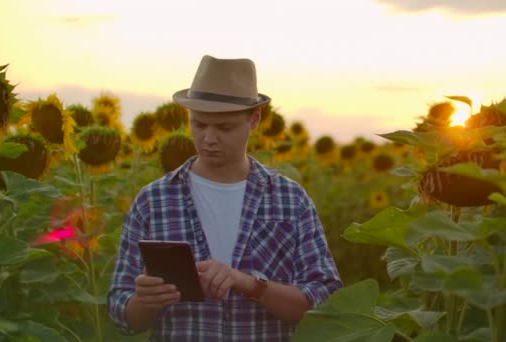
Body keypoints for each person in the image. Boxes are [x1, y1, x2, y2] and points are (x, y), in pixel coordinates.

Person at [107, 55, 342, 341]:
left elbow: (325, 301)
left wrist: (248, 283)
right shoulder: (153, 202)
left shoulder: (290, 200)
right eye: (199, 125)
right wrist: (147, 300)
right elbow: (121, 313)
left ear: (254, 119)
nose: (209, 139)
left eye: (224, 128)